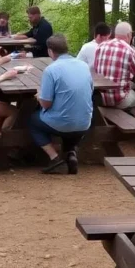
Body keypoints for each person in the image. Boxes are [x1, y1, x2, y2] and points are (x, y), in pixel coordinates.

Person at [30, 35, 94, 174]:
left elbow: (46, 104)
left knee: (33, 120)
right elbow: (90, 90)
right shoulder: (83, 66)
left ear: (50, 51)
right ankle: (70, 153)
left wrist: (39, 96)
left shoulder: (51, 70)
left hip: (63, 123)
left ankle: (54, 158)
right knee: (68, 113)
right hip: (85, 123)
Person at [94, 22, 135, 109]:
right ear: (129, 35)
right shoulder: (129, 50)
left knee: (132, 87)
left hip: (100, 97)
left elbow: (97, 69)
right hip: (119, 99)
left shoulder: (101, 46)